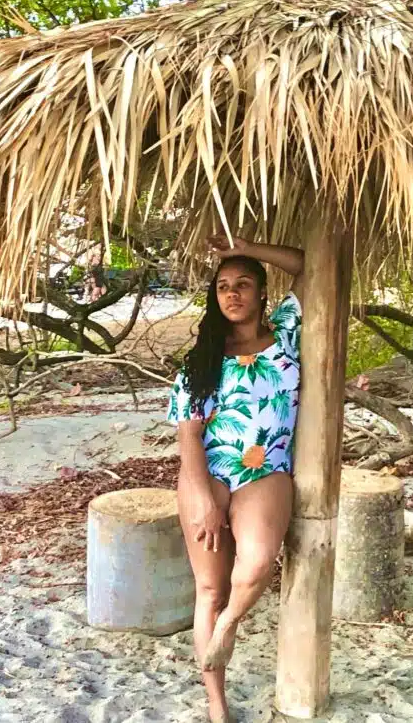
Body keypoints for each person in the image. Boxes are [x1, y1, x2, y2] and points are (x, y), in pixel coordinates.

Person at [166, 233, 304, 723]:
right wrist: (204, 499)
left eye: (243, 284)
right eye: (223, 286)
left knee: (258, 562)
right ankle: (217, 706)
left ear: (262, 293)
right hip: (208, 473)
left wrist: (244, 248)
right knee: (209, 589)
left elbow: (305, 266)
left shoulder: (286, 333)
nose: (232, 293)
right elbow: (188, 434)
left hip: (266, 468)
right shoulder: (203, 357)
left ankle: (229, 624)